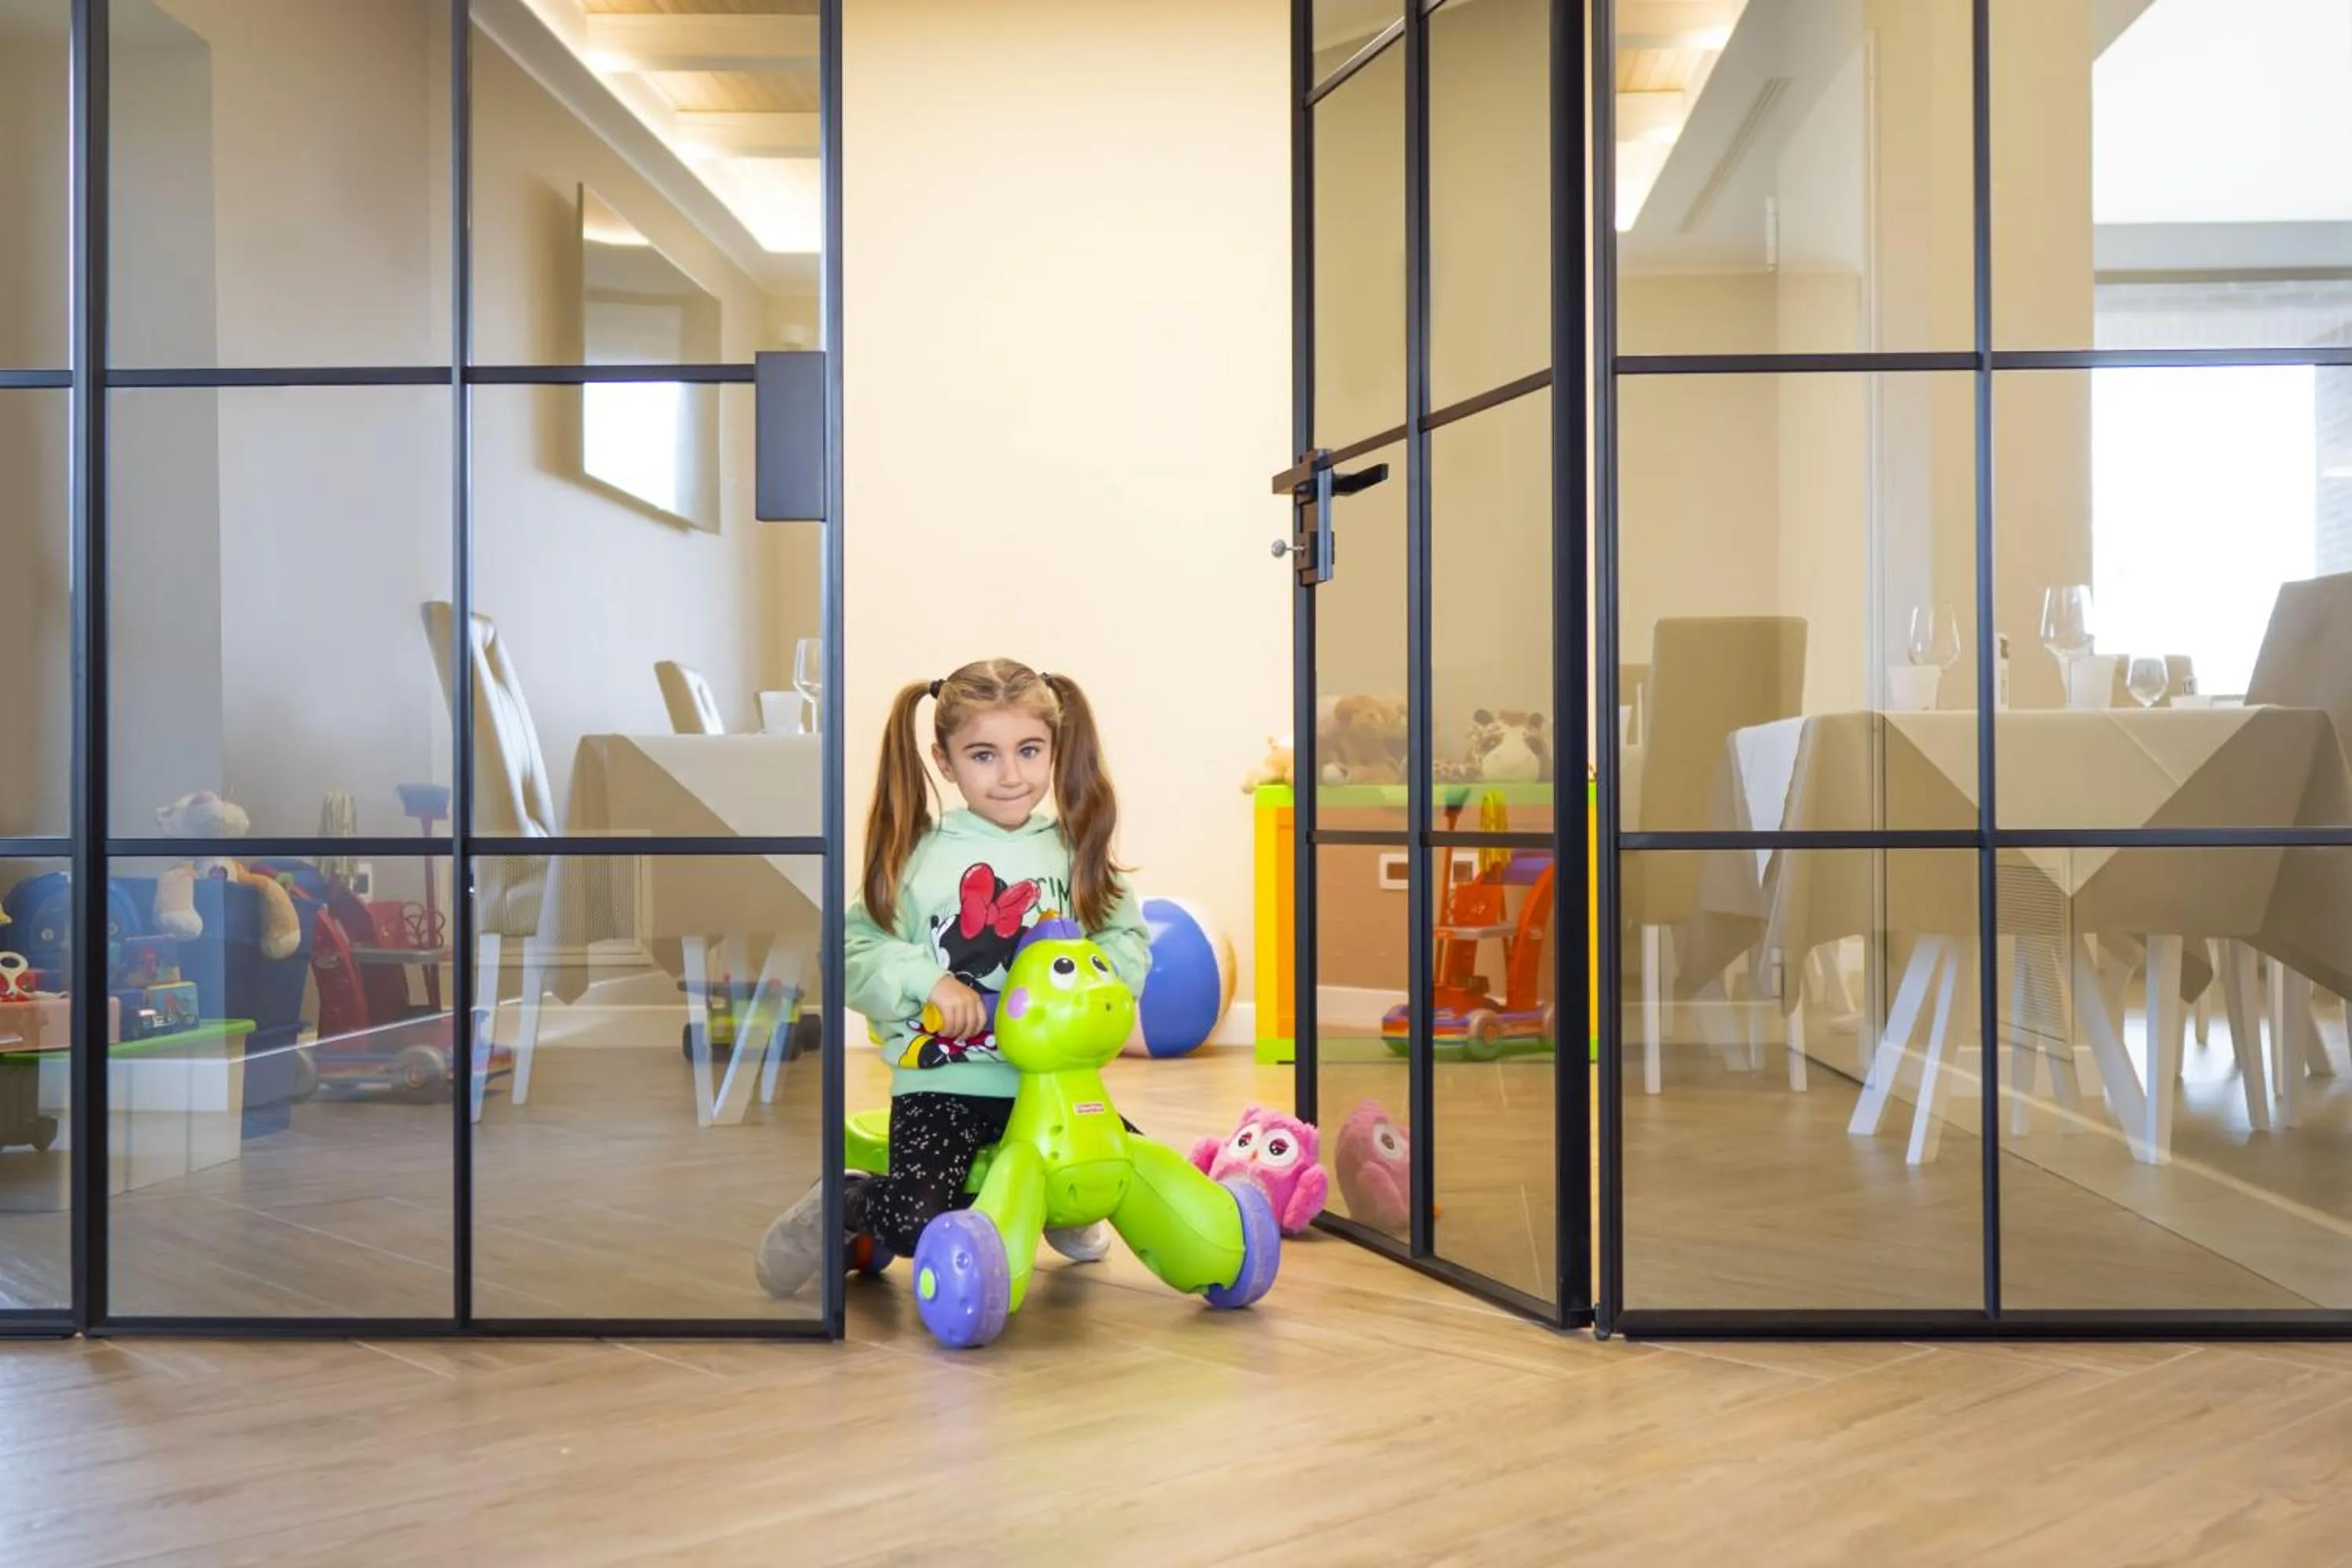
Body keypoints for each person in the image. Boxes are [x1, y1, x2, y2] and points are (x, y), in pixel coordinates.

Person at [755, 658, 1152, 1297]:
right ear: (945, 762)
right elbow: (851, 949)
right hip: (947, 1082)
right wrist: (929, 984)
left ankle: (1060, 1202)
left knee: (1123, 1167)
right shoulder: (920, 856)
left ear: (1054, 749)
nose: (1012, 775)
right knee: (915, 1223)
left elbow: (1123, 937)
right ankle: (846, 1203)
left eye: (1029, 750)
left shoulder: (1075, 850)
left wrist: (1097, 983)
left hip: (1049, 1083)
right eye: (983, 755)